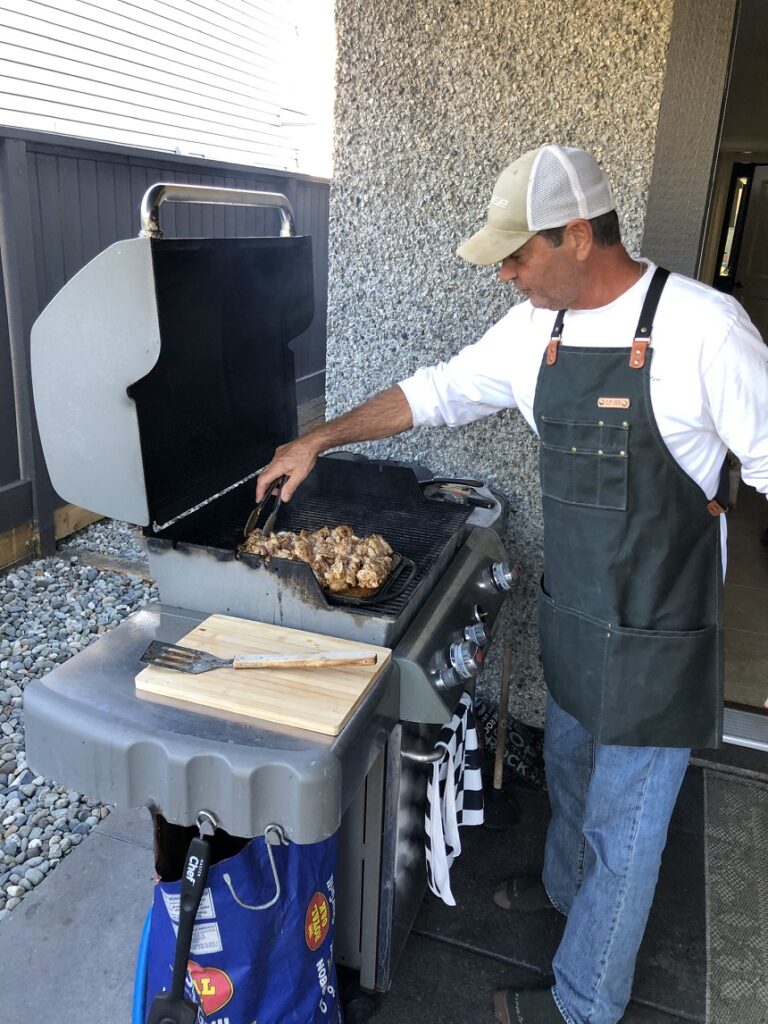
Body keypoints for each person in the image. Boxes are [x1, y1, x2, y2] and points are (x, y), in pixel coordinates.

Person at [256, 144, 768, 1024]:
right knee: (569, 771)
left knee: (625, 831)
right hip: (576, 609)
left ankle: (584, 1002)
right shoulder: (539, 331)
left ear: (578, 235)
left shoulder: (705, 329)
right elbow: (433, 393)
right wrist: (316, 440)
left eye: (517, 256)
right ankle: (569, 895)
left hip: (660, 633)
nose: (506, 275)